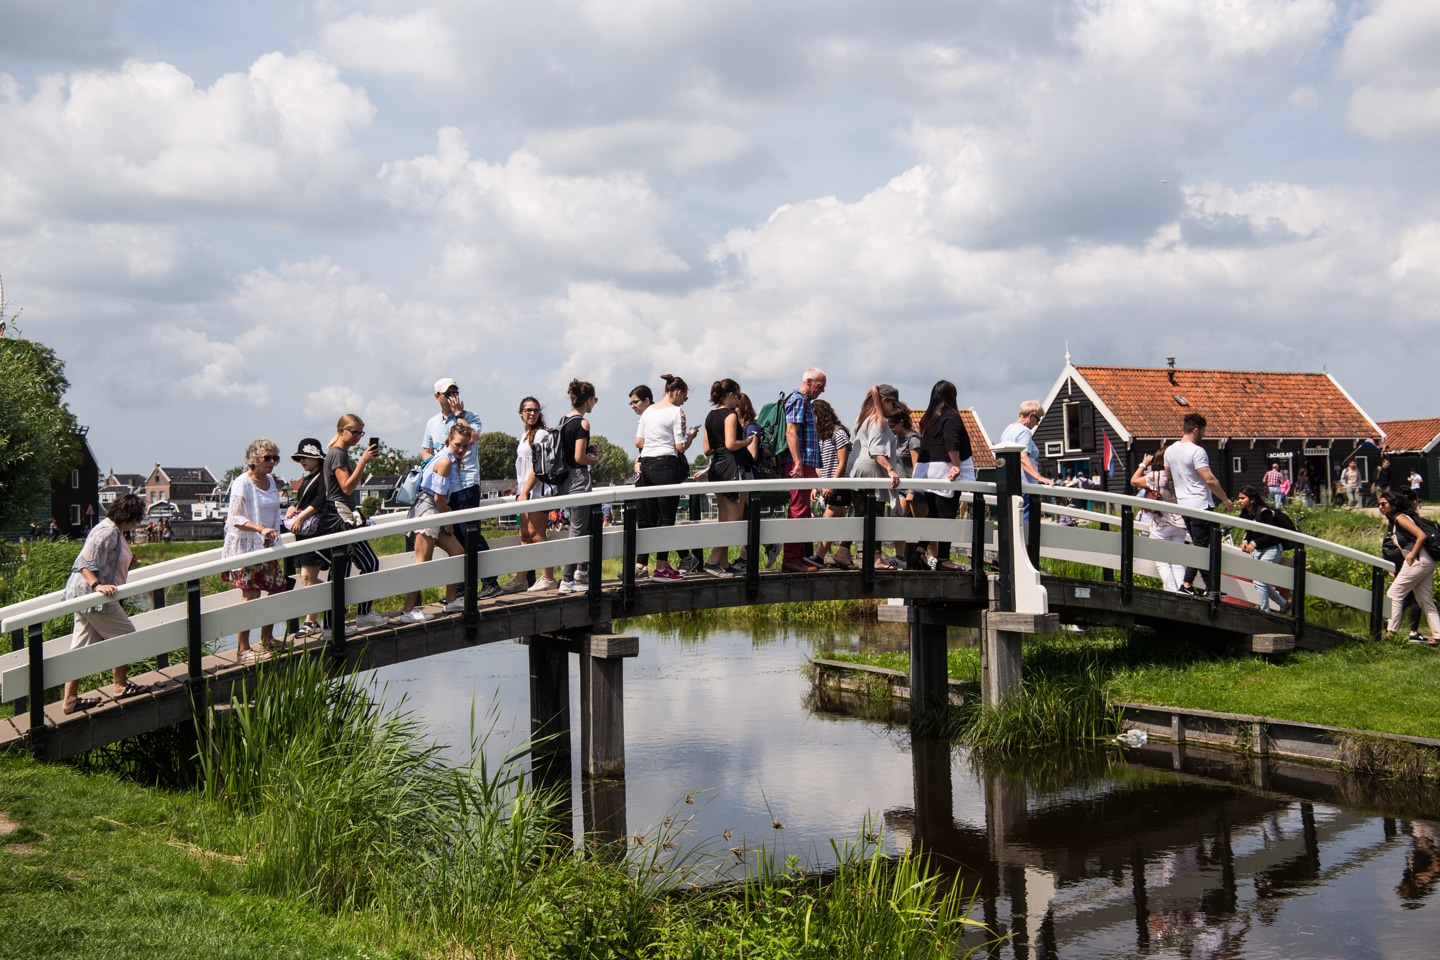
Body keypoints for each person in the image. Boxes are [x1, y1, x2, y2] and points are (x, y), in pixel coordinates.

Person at [60, 493, 149, 714]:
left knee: (80, 648)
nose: (137, 523)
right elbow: (84, 563)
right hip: (94, 597)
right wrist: (97, 586)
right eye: (137, 518)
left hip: (84, 597)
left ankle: (70, 700)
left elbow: (111, 557)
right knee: (126, 635)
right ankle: (120, 686)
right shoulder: (107, 531)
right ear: (128, 516)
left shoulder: (114, 531)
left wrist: (130, 558)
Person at [421, 378, 501, 599]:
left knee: (470, 533)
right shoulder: (432, 423)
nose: (453, 396)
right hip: (446, 486)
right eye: (448, 393)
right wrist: (438, 460)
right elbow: (425, 452)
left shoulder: (471, 417)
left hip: (466, 483)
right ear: (437, 397)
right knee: (454, 536)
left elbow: (472, 438)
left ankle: (490, 582)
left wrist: (459, 415)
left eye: (455, 391)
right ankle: (461, 587)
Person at [221, 437, 288, 662]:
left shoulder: (270, 480)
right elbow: (235, 517)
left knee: (277, 588)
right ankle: (242, 649)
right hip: (247, 547)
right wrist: (260, 529)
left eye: (275, 458)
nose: (272, 462)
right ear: (253, 459)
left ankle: (267, 638)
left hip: (267, 545)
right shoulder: (243, 483)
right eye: (267, 458)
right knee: (251, 594)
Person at [399, 421, 473, 622]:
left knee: (458, 552)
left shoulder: (443, 455)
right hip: (430, 513)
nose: (461, 449)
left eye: (465, 446)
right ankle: (407, 611)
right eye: (458, 444)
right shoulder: (445, 462)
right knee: (423, 562)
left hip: (434, 510)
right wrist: (447, 521)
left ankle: (451, 600)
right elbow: (439, 497)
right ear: (449, 440)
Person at [320, 413, 383, 634]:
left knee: (368, 564)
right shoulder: (337, 454)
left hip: (344, 514)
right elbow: (346, 487)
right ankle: (331, 625)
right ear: (341, 431)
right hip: (340, 518)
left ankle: (362, 614)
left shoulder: (339, 454)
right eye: (354, 432)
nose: (357, 437)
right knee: (342, 570)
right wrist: (363, 462)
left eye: (360, 433)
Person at [1164, 413, 1233, 596]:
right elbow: (1209, 480)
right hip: (1200, 505)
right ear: (1196, 430)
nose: (1203, 434)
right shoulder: (1197, 451)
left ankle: (1202, 586)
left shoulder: (1169, 451)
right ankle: (1197, 586)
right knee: (1203, 548)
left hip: (1183, 505)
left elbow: (1169, 476)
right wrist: (1225, 499)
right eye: (1203, 431)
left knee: (1200, 545)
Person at [636, 374, 696, 581]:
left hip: (646, 466)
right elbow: (680, 447)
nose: (683, 402)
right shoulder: (677, 412)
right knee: (667, 519)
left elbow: (638, 441)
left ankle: (658, 566)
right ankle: (661, 569)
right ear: (678, 392)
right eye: (684, 397)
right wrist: (691, 437)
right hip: (666, 466)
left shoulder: (648, 411)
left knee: (654, 518)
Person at [915, 380, 971, 571]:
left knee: (933, 514)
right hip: (944, 470)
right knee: (947, 515)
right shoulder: (950, 416)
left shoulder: (929, 418)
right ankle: (944, 558)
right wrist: (956, 465)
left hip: (929, 471)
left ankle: (919, 551)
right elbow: (951, 441)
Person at [848, 385, 904, 569]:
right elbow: (876, 451)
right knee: (876, 515)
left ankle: (843, 551)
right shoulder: (878, 421)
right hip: (872, 472)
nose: (895, 410)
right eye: (893, 405)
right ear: (885, 401)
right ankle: (876, 559)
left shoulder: (862, 417)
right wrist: (890, 469)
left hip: (856, 471)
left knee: (859, 514)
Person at [1378, 490, 1440, 645]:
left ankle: (1392, 633)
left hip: (1418, 560)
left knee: (1394, 593)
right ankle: (1438, 636)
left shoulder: (1400, 518)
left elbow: (1421, 536)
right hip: (1425, 560)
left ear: (1393, 504)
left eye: (1383, 504)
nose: (1380, 507)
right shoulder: (1396, 520)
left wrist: (1411, 555)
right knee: (1424, 599)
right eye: (1379, 504)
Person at [780, 368, 827, 573]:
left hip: (803, 462)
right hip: (800, 463)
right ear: (809, 382)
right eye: (820, 386)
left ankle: (797, 556)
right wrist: (798, 461)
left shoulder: (802, 401)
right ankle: (791, 559)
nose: (822, 390)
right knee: (798, 510)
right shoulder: (798, 400)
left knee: (802, 510)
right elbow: (791, 432)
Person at [701, 378, 750, 576]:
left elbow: (707, 449)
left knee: (723, 517)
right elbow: (731, 444)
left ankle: (723, 562)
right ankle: (713, 561)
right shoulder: (730, 415)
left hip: (716, 467)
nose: (739, 401)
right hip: (731, 466)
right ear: (730, 395)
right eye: (738, 396)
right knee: (734, 519)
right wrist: (747, 441)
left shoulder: (709, 416)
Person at [557, 379, 601, 593]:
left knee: (586, 525)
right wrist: (594, 459)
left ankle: (581, 570)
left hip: (564, 480)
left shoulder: (563, 420)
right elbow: (579, 457)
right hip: (578, 479)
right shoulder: (583, 423)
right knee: (577, 529)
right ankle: (567, 580)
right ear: (588, 400)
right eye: (595, 399)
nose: (596, 403)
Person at [283, 438, 328, 639]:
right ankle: (336, 603)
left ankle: (311, 621)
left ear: (317, 458)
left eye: (307, 457)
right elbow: (305, 502)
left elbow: (320, 501)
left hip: (314, 532)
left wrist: (300, 516)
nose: (303, 461)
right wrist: (294, 509)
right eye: (300, 457)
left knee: (307, 577)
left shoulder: (323, 476)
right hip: (303, 533)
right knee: (305, 577)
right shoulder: (309, 478)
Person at [515, 396, 558, 592]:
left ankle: (547, 577)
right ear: (520, 413)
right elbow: (523, 466)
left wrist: (525, 491)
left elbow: (538, 467)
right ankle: (521, 578)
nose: (532, 413)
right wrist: (517, 488)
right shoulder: (525, 435)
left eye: (535, 410)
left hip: (537, 493)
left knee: (536, 534)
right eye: (528, 410)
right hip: (524, 491)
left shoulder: (541, 434)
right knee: (524, 535)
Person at [1130, 446, 1186, 593]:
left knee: (1162, 561)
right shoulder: (1181, 475)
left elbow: (1134, 481)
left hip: (1161, 523)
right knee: (1178, 562)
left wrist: (1144, 464)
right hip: (1180, 522)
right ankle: (1182, 591)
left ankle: (1171, 591)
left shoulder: (1156, 476)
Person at [811, 399, 854, 569]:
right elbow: (821, 464)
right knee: (841, 520)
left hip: (839, 485)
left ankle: (819, 556)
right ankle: (845, 557)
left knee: (827, 520)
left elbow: (842, 462)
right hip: (830, 485)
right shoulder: (821, 437)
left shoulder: (838, 433)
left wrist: (832, 484)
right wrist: (817, 485)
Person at [1236, 485, 1292, 614]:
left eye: (1242, 498)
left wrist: (1254, 544)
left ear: (1252, 499)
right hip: (1261, 549)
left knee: (1260, 580)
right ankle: (1284, 604)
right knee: (1257, 581)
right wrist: (1245, 541)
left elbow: (1271, 535)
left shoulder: (1264, 512)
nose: (1239, 501)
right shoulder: (1247, 513)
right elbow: (1249, 530)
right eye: (1239, 498)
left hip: (1272, 548)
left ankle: (1264, 611)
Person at [998, 400, 1055, 523]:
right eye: (1038, 419)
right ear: (1031, 416)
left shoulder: (1008, 429)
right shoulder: (1024, 431)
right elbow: (1022, 457)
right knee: (1027, 524)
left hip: (1011, 483)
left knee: (1014, 521)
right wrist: (1039, 477)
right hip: (1025, 485)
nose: (1037, 423)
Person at [888, 405, 927, 568]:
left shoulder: (913, 439)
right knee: (898, 522)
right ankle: (900, 557)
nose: (891, 429)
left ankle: (932, 556)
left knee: (923, 525)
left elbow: (917, 466)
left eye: (893, 426)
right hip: (900, 490)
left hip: (915, 489)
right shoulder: (895, 440)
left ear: (901, 422)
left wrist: (912, 489)